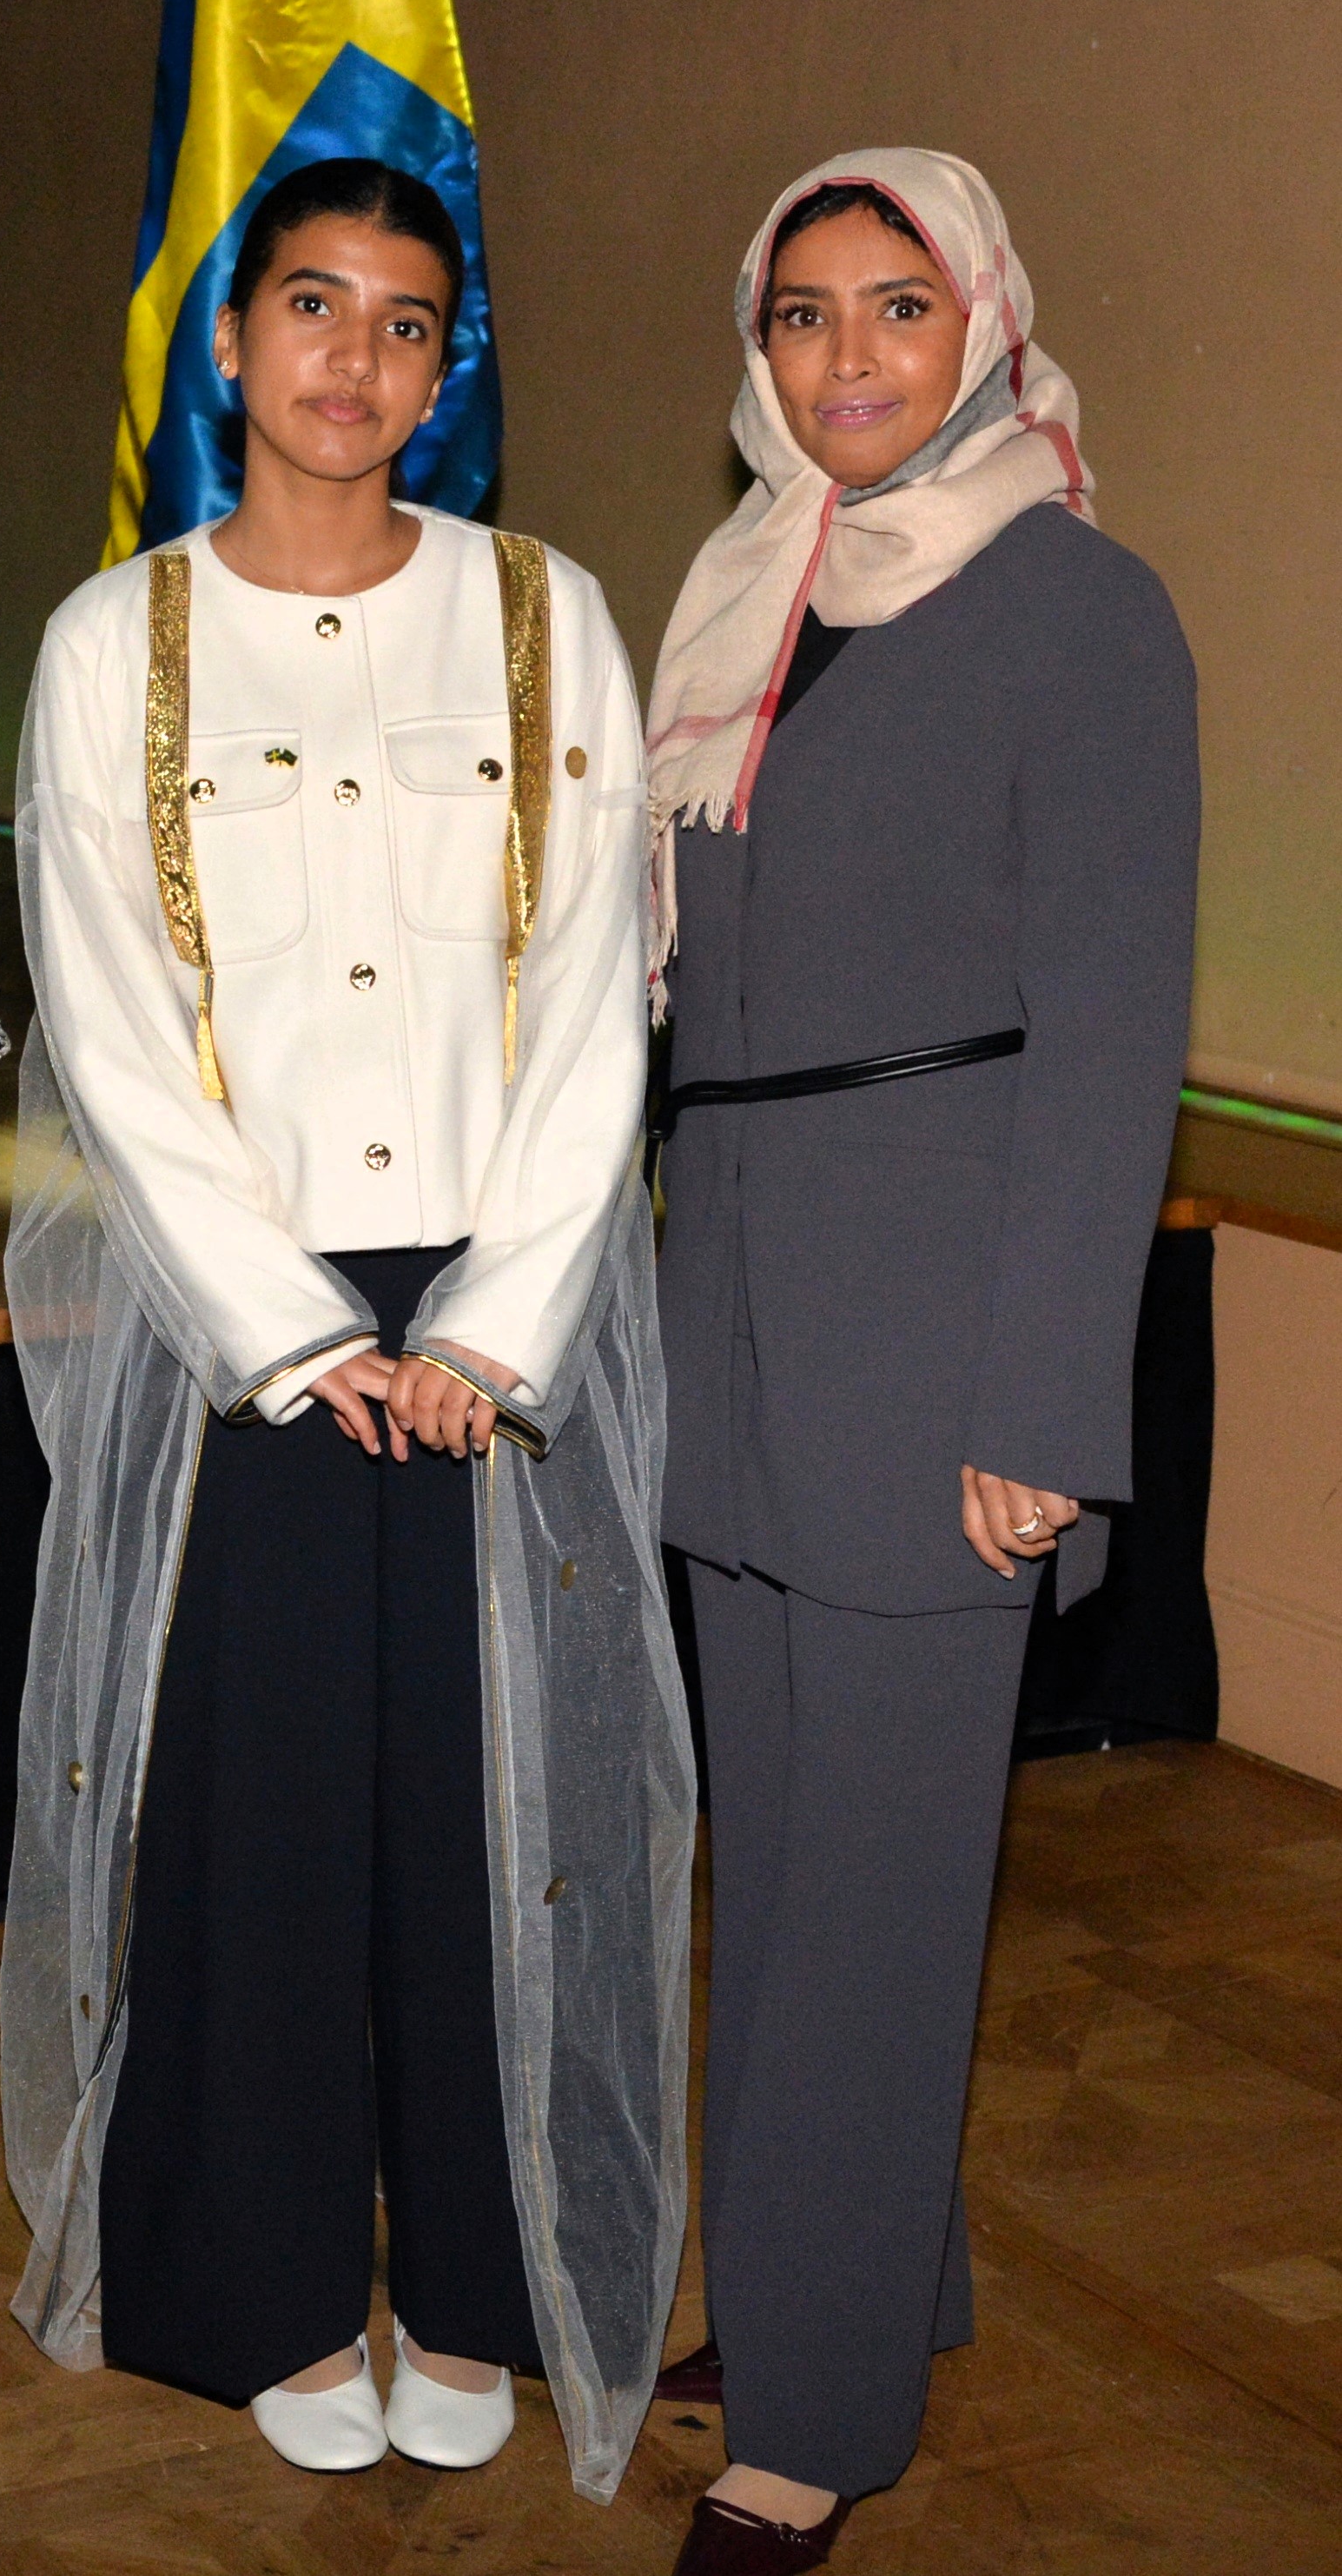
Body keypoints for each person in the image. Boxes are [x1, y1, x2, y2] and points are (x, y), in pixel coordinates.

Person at [0, 157, 693, 2495]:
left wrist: (494, 1322)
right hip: (246, 1319)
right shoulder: (116, 643)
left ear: (443, 362)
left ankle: (484, 2287)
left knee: (502, 1820)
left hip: (502, 1308)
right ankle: (263, 2283)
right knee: (257, 1812)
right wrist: (294, 1337)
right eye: (312, 308)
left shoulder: (544, 613)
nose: (354, 361)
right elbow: (106, 1017)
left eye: (407, 324)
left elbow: (596, 992)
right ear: (230, 340)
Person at [645, 149, 1197, 2571]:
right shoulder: (756, 596)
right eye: (802, 312)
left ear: (983, 320)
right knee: (785, 1868)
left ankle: (818, 2413)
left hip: (944, 1335)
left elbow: (1116, 1030)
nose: (847, 356)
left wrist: (1046, 1404)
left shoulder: (1079, 601)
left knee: (877, 1896)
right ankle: (852, 2272)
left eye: (897, 305)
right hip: (743, 1308)